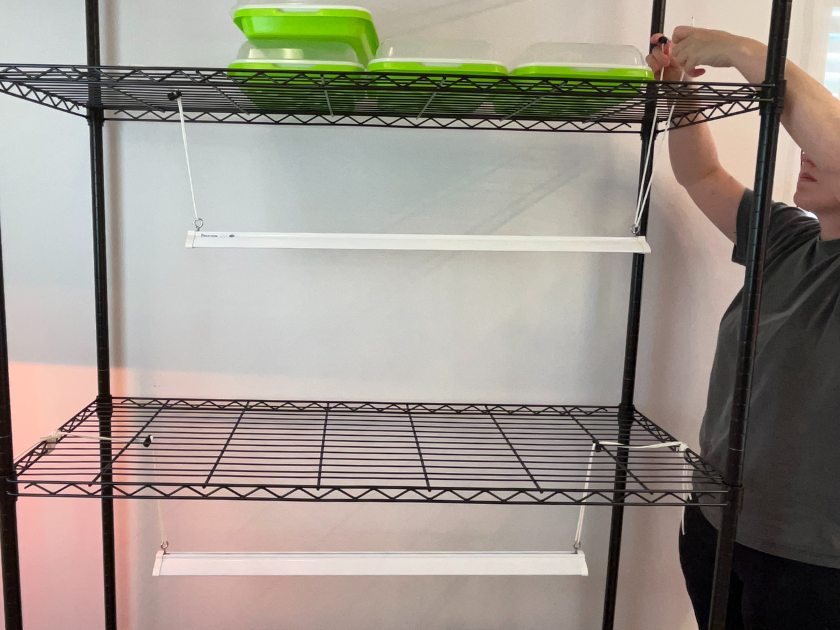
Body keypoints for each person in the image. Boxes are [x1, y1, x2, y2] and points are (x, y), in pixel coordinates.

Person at [646, 27, 840, 630]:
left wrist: (746, 54)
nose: (805, 154)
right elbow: (701, 176)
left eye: (819, 145)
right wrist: (679, 91)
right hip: (717, 525)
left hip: (812, 566)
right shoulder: (787, 240)